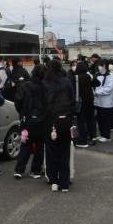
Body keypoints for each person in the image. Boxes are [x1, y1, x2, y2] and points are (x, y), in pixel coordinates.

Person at [43, 59, 74, 192]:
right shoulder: (67, 82)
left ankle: (54, 181)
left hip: (50, 121)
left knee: (52, 152)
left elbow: (42, 103)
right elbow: (72, 100)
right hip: (65, 120)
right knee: (64, 152)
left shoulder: (44, 83)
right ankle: (64, 183)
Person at [13, 64, 47, 179]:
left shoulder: (24, 86)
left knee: (25, 144)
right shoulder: (46, 87)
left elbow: (18, 102)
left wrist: (22, 112)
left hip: (26, 120)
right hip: (42, 121)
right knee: (40, 146)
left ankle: (19, 170)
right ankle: (35, 170)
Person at [93, 58, 113, 142]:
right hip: (97, 101)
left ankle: (107, 135)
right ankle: (102, 134)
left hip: (106, 102)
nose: (99, 67)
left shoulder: (110, 76)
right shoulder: (96, 75)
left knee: (105, 119)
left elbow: (109, 88)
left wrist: (98, 92)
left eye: (101, 65)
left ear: (105, 65)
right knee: (99, 119)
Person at [73, 61, 95, 148]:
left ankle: (83, 140)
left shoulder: (75, 77)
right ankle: (92, 136)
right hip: (90, 100)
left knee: (81, 120)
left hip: (80, 101)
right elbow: (97, 83)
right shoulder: (89, 76)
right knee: (90, 118)